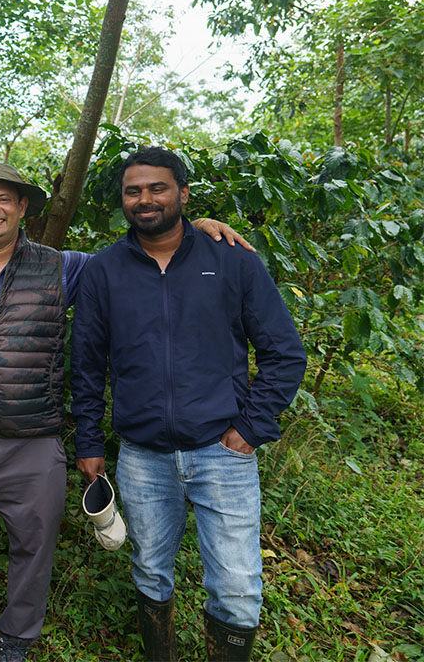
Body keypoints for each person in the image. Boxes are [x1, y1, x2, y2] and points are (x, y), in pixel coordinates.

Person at [0, 161, 253, 662]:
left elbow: (137, 257)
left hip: (35, 442)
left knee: (34, 552)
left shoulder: (62, 266)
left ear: (23, 207)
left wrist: (196, 228)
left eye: (4, 199)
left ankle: (15, 641)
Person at [70, 147, 306, 662]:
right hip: (141, 456)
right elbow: (86, 367)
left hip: (223, 451)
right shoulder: (104, 272)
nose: (145, 199)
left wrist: (251, 425)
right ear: (123, 201)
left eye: (157, 188)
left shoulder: (231, 261)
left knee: (238, 585)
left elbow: (284, 352)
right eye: (133, 191)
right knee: (151, 570)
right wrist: (89, 442)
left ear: (183, 193)